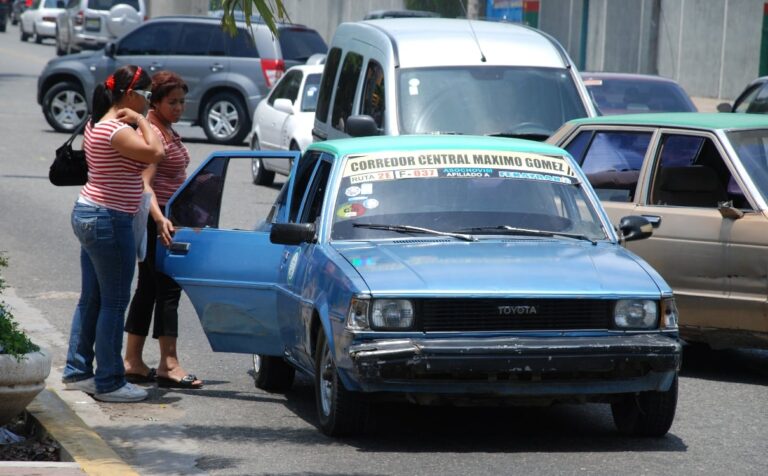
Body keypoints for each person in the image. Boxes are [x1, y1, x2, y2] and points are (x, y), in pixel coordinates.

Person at [62, 65, 164, 402]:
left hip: (92, 213)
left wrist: (136, 120)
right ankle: (109, 382)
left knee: (92, 298)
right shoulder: (116, 130)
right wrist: (142, 121)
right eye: (147, 95)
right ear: (130, 94)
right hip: (109, 219)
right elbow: (157, 152)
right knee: (115, 302)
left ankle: (78, 371)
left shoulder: (98, 122)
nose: (149, 102)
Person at [123, 71, 203, 389]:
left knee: (148, 289)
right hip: (159, 221)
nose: (179, 107)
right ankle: (169, 364)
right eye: (172, 102)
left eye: (182, 102)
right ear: (155, 102)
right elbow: (146, 185)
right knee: (167, 290)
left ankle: (133, 361)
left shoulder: (166, 127)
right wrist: (159, 220)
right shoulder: (154, 131)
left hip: (167, 220)